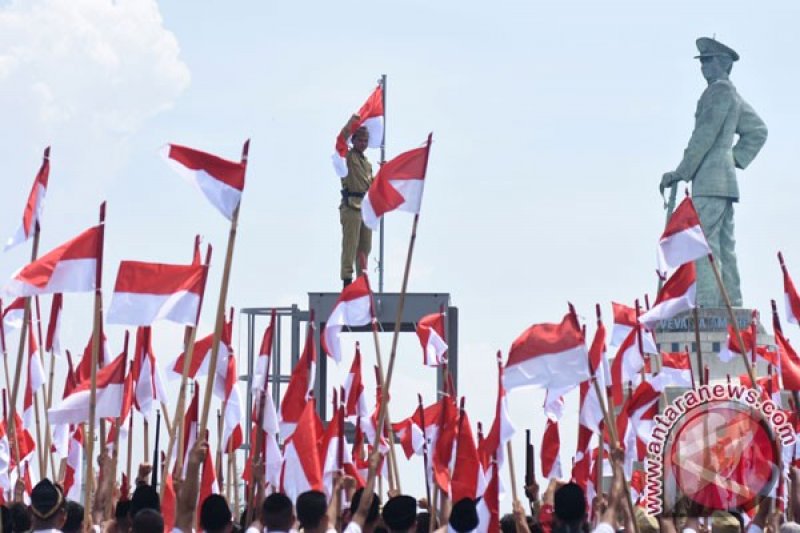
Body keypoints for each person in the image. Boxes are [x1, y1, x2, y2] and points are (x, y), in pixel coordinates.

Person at [660, 37, 767, 307]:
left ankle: (709, 304)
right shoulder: (731, 93)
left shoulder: (718, 92)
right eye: (702, 62)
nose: (703, 67)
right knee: (723, 246)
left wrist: (680, 172)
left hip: (710, 181)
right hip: (724, 182)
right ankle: (731, 303)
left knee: (703, 245)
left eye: (708, 61)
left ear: (722, 63)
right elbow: (757, 130)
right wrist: (732, 159)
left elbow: (703, 136)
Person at [338, 114, 374, 288]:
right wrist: (351, 122)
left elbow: (372, 185)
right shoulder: (348, 157)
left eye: (366, 140)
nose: (363, 143)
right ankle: (347, 280)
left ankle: (362, 281)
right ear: (354, 140)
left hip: (365, 208)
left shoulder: (367, 164)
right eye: (360, 140)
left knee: (364, 249)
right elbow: (341, 141)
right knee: (350, 245)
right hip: (351, 205)